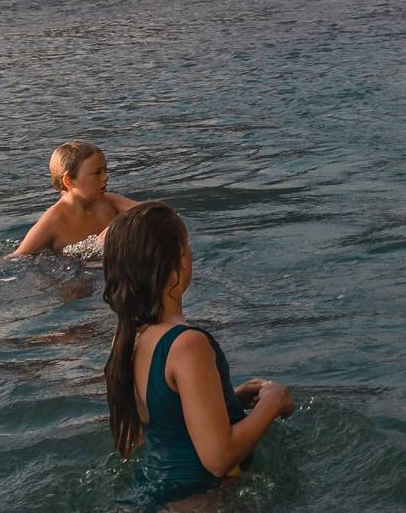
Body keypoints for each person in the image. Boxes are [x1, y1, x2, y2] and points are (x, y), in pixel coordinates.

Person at [102, 202, 294, 509]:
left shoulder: (132, 336)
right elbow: (219, 458)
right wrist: (272, 403)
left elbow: (166, 418)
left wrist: (228, 399)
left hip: (151, 493)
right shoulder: (187, 344)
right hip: (198, 501)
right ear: (177, 261)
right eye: (187, 245)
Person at [11, 141, 138, 258]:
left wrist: (118, 225)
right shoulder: (53, 221)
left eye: (105, 170)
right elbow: (16, 258)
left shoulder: (109, 201)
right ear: (69, 180)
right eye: (97, 173)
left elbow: (148, 211)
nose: (106, 177)